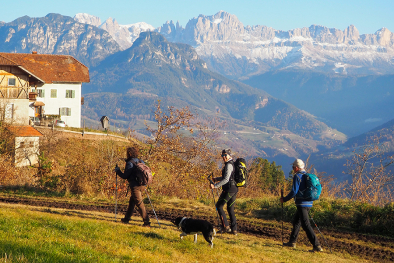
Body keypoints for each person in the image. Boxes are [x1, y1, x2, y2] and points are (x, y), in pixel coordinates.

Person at [280, 159, 323, 252]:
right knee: (296, 221)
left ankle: (317, 246)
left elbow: (294, 192)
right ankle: (292, 242)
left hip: (301, 204)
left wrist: (284, 199)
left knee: (306, 224)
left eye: (293, 167)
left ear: (296, 167)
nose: (292, 169)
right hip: (309, 203)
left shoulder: (297, 176)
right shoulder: (307, 176)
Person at [114, 147, 151, 228]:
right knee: (132, 202)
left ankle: (147, 223)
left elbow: (125, 176)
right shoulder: (141, 161)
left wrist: (118, 171)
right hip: (143, 185)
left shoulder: (130, 162)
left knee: (139, 204)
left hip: (135, 186)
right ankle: (126, 219)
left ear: (129, 153)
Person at [210, 149, 238, 235]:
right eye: (222, 155)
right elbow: (229, 177)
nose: (224, 157)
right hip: (234, 188)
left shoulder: (228, 165)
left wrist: (215, 186)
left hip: (229, 189)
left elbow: (226, 179)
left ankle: (226, 227)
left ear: (230, 155)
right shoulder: (232, 163)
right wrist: (217, 179)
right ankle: (234, 230)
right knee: (230, 209)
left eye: (225, 155)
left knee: (219, 206)